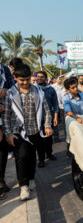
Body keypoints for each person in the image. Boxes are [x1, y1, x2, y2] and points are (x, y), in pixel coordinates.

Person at [3, 64, 53, 200]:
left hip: (35, 130)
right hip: (17, 132)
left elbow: (46, 110)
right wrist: (8, 133)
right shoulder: (10, 93)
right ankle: (23, 186)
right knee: (22, 157)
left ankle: (31, 179)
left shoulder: (38, 91)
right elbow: (6, 115)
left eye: (27, 79)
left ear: (32, 78)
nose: (25, 83)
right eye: (21, 80)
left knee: (32, 157)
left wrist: (47, 126)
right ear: (15, 78)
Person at [0, 45, 15, 199]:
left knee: (3, 150)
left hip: (5, 115)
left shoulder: (4, 69)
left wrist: (5, 87)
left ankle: (1, 180)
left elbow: (12, 86)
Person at [36, 71, 58, 167]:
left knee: (49, 139)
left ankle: (49, 154)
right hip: (37, 119)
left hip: (49, 118)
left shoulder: (51, 90)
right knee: (39, 140)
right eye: (38, 77)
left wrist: (56, 117)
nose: (39, 79)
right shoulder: (33, 89)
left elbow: (55, 104)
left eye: (42, 77)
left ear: (46, 79)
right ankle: (41, 159)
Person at [51, 76, 66, 141]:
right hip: (56, 104)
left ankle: (57, 137)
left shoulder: (62, 87)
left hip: (60, 105)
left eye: (60, 79)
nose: (60, 80)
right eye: (58, 79)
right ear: (55, 80)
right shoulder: (52, 86)